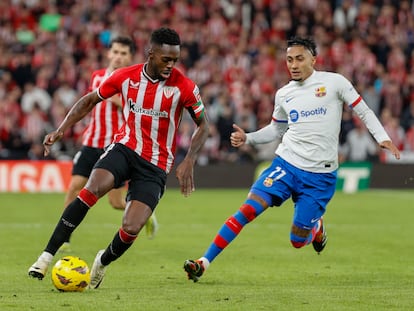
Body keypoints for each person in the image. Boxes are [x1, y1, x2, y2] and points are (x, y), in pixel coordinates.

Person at [183, 36, 400, 282]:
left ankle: (315, 227)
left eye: (299, 58)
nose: (293, 65)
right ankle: (204, 262)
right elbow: (277, 130)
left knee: (298, 241)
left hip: (320, 176)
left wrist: (382, 137)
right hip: (287, 164)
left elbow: (363, 110)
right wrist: (249, 138)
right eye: (289, 60)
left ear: (313, 60)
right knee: (248, 209)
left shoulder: (335, 83)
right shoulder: (284, 94)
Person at [28, 27, 210, 289]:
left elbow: (204, 125)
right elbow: (89, 100)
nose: (171, 66)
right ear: (151, 54)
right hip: (125, 148)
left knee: (131, 227)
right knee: (90, 189)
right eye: (165, 59)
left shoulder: (185, 87)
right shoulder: (126, 76)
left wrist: (190, 158)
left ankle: (102, 261)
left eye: (175, 60)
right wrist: (60, 130)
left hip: (155, 165)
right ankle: (44, 258)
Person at [59, 36, 158, 253]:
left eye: (123, 53)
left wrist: (113, 97)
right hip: (91, 142)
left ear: (130, 57)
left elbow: (133, 106)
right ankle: (64, 236)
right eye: (115, 52)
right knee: (75, 186)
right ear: (109, 53)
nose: (118, 56)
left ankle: (146, 214)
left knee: (115, 202)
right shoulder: (96, 77)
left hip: (115, 148)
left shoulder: (134, 82)